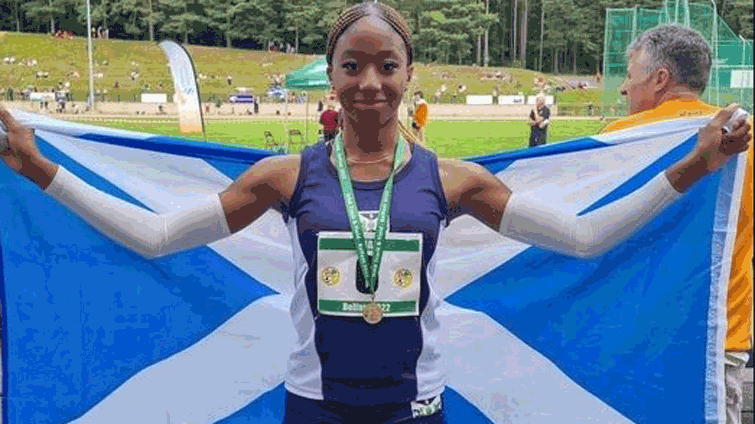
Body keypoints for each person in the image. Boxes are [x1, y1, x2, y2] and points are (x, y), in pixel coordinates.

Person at [0, 4, 750, 423]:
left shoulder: (452, 182)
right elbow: (158, 236)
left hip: (413, 410)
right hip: (313, 407)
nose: (368, 83)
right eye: (351, 66)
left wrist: (692, 166)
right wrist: (39, 169)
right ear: (330, 75)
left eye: (385, 66)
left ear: (407, 76)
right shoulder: (281, 176)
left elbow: (586, 239)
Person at [600, 24, 753, 424]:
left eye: (630, 77)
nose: (624, 90)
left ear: (661, 79)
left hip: (636, 337)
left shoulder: (617, 139)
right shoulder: (748, 138)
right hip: (721, 339)